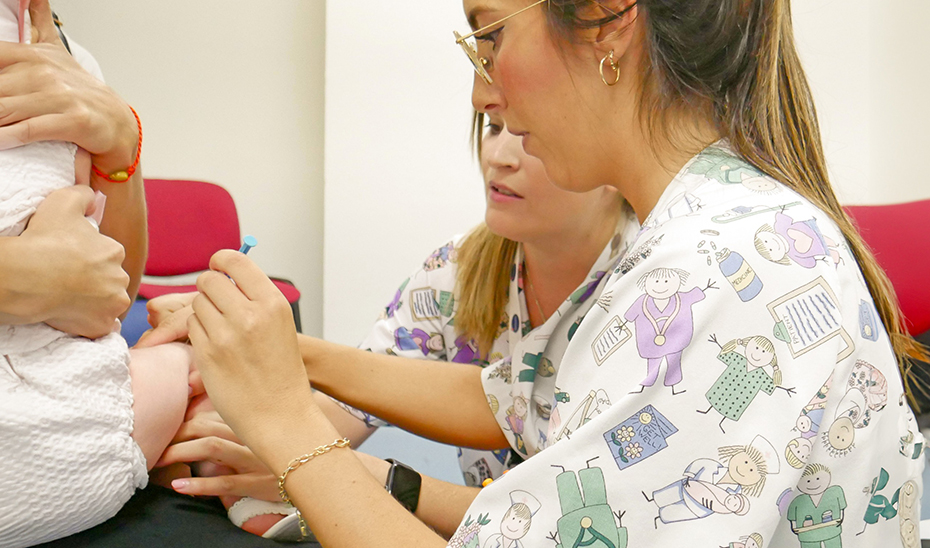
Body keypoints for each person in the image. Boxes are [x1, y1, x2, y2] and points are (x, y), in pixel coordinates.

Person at [154, 1, 927, 547]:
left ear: (609, 18)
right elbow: (522, 396)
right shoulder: (714, 234)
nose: (483, 94)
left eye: (488, 38)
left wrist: (286, 423)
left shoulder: (710, 274)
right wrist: (292, 359)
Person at [144, 112, 638, 538]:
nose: (500, 156)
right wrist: (214, 411)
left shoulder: (655, 294)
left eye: (531, 135)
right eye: (493, 127)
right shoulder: (456, 272)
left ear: (612, 155)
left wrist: (373, 475)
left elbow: (583, 523)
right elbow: (341, 405)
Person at [0, 2, 193, 546]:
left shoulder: (71, 64)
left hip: (82, 442)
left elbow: (108, 290)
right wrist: (21, 276)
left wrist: (120, 145)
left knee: (199, 360)